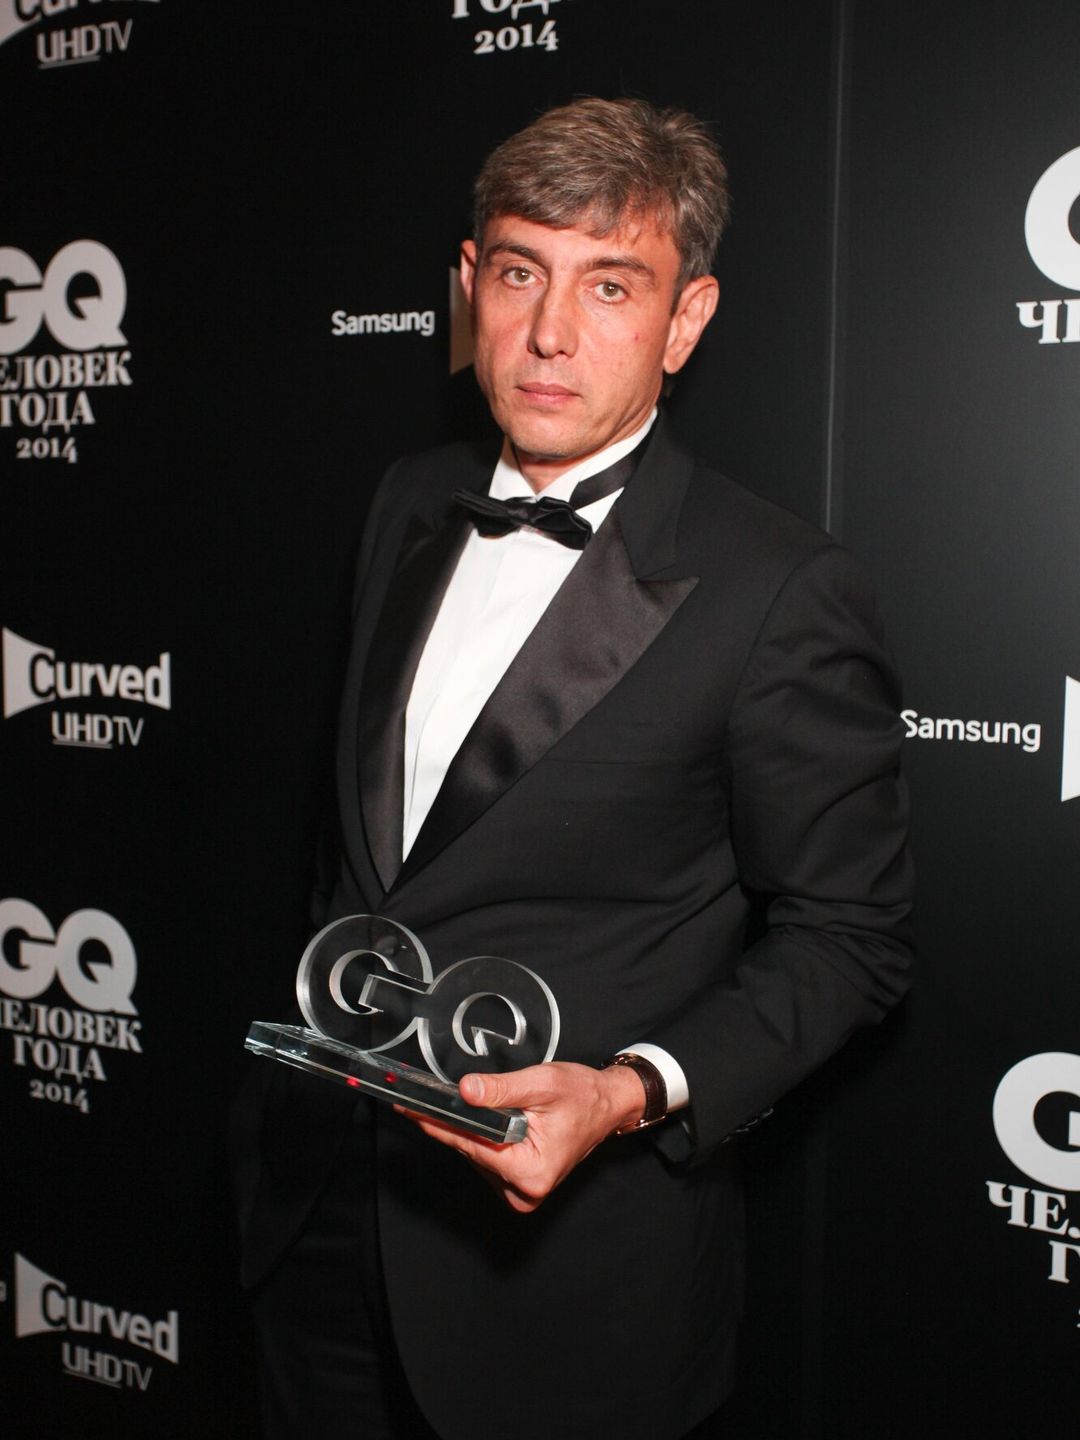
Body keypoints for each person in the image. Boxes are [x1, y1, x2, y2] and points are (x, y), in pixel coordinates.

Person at [232, 97, 914, 1440]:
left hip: (560, 1293)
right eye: (519, 273)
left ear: (686, 320)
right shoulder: (407, 499)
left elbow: (852, 938)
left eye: (611, 285)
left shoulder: (780, 587)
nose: (549, 332)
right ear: (469, 285)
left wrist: (628, 1090)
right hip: (314, 1224)